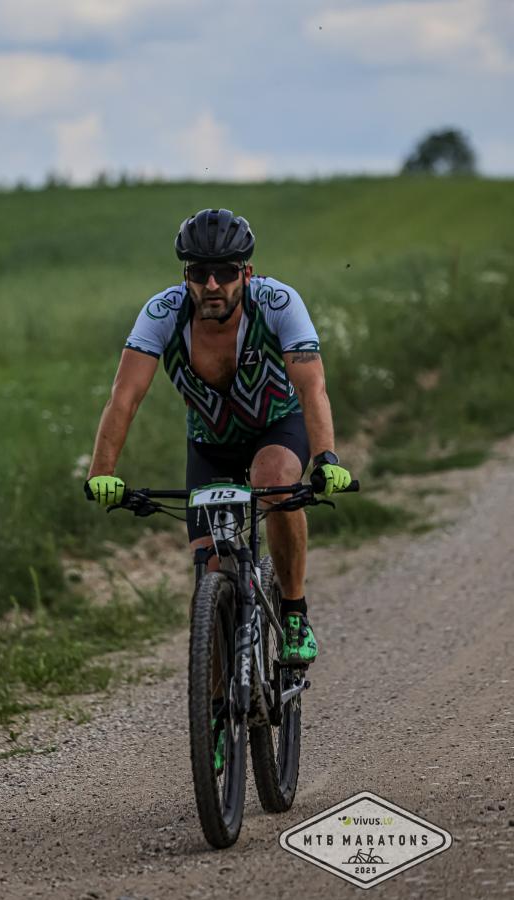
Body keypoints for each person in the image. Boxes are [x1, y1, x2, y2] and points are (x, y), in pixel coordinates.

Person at [85, 208, 351, 667]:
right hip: (210, 444)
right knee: (209, 574)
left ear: (246, 273)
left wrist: (326, 457)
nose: (212, 285)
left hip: (276, 425)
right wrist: (101, 473)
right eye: (199, 273)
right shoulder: (162, 314)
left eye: (225, 272)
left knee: (275, 482)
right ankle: (212, 707)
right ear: (185, 276)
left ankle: (294, 613)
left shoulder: (278, 303)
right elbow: (124, 397)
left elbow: (312, 389)